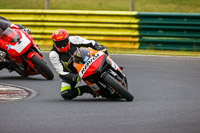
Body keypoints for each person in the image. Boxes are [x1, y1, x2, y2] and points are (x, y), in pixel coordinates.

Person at [49, 29, 108, 100]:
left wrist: (98, 47)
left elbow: (90, 43)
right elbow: (61, 72)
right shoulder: (53, 54)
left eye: (64, 42)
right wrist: (73, 77)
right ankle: (87, 89)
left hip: (85, 61)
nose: (62, 46)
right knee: (66, 94)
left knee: (103, 51)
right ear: (54, 43)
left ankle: (112, 67)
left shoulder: (74, 39)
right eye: (59, 43)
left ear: (68, 39)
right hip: (72, 73)